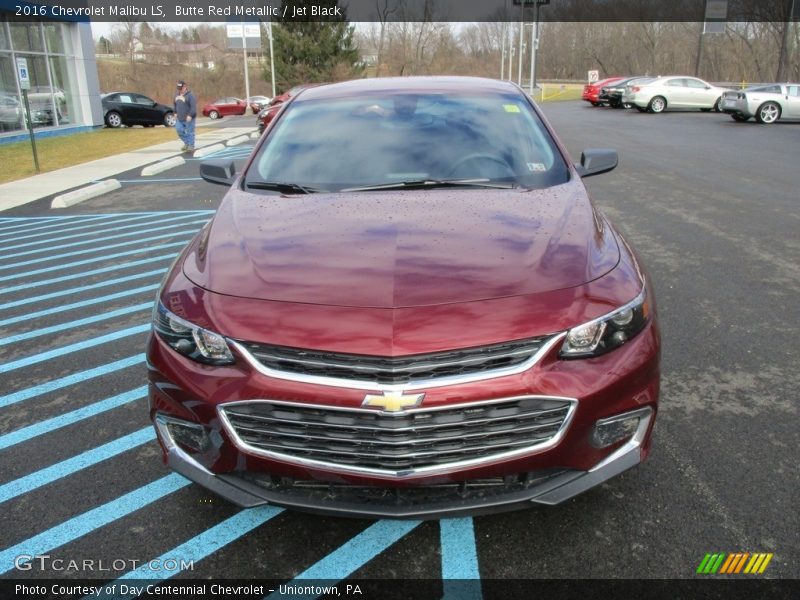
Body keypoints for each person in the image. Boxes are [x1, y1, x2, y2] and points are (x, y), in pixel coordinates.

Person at [174, 80, 197, 152]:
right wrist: (174, 112)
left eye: (181, 88)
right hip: (179, 118)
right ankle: (187, 143)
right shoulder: (176, 95)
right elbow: (174, 105)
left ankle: (191, 146)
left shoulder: (190, 96)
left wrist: (190, 115)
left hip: (189, 118)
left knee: (190, 132)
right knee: (179, 130)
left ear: (185, 87)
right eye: (178, 89)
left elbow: (193, 107)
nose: (180, 90)